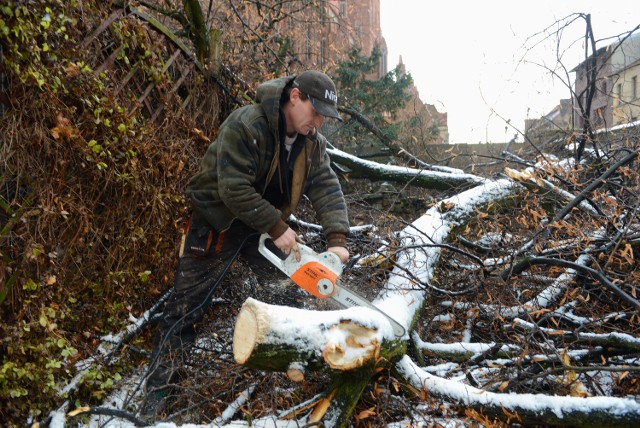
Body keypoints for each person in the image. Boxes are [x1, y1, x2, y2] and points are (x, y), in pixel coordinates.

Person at [141, 70, 350, 417]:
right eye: (315, 113)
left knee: (286, 294)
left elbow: (326, 186)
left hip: (262, 228)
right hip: (218, 220)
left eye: (324, 118)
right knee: (186, 310)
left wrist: (338, 240)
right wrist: (277, 225)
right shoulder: (247, 124)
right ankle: (158, 398)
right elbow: (233, 187)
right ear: (294, 97)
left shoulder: (311, 143)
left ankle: (283, 376)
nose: (318, 123)